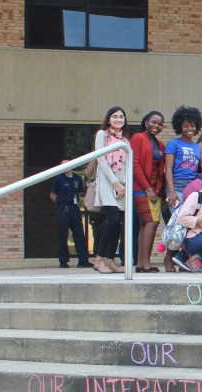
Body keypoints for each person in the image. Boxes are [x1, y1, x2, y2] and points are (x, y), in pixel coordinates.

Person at [129, 110, 166, 273]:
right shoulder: (138, 138)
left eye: (160, 124)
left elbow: (161, 171)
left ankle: (141, 263)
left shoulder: (160, 145)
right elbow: (134, 164)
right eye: (153, 122)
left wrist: (160, 192)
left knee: (147, 224)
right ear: (146, 123)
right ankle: (145, 264)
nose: (156, 126)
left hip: (155, 190)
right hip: (141, 189)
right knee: (151, 222)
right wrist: (147, 188)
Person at [93, 106, 128, 274]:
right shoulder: (102, 135)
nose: (118, 119)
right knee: (112, 219)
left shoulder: (125, 141)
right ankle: (99, 259)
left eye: (121, 117)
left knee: (118, 223)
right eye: (115, 116)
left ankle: (110, 259)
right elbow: (101, 160)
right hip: (108, 182)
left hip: (122, 184)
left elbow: (127, 165)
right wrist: (115, 183)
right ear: (108, 119)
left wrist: (123, 185)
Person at [49, 159, 91, 269]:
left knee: (79, 234)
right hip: (63, 208)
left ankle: (83, 261)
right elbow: (53, 195)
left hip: (74, 208)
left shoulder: (77, 178)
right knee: (63, 235)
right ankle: (63, 261)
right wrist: (60, 205)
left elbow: (79, 192)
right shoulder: (58, 179)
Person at [164, 105, 202, 207]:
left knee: (191, 216)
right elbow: (168, 169)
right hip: (177, 186)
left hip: (193, 187)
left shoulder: (197, 147)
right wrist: (171, 191)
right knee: (180, 216)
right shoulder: (173, 144)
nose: (189, 129)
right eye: (186, 126)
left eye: (192, 126)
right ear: (180, 127)